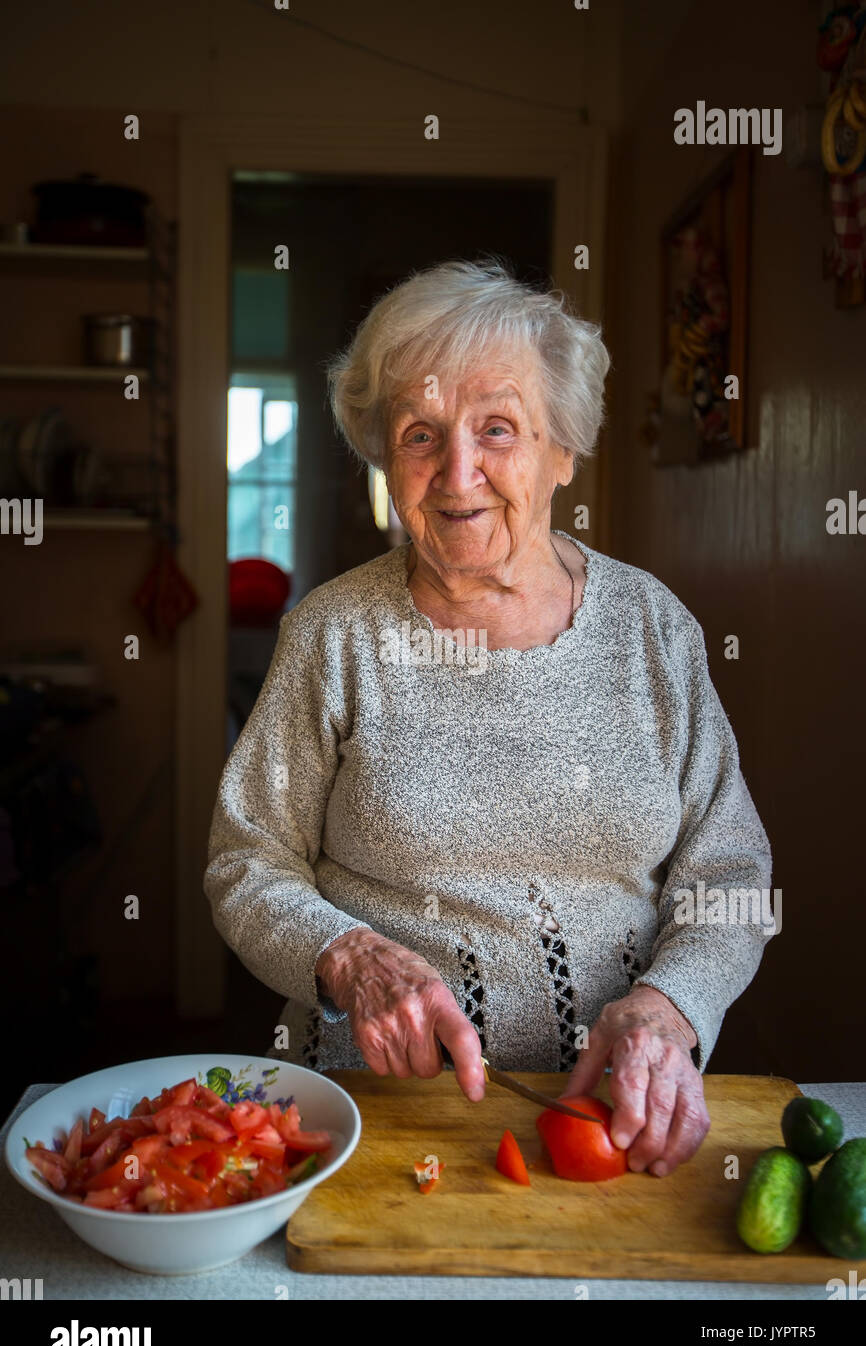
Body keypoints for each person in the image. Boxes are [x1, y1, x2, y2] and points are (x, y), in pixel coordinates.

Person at [203, 258, 773, 1177]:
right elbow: (246, 862)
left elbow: (731, 873)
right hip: (370, 1125)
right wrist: (348, 956)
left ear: (563, 449)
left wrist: (671, 1006)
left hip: (613, 1122)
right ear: (387, 457)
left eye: (498, 428)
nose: (457, 472)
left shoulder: (652, 629)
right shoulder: (332, 633)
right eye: (420, 433)